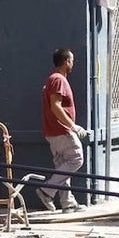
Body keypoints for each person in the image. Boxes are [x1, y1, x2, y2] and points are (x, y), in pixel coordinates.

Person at [37, 48, 90, 213]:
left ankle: (68, 203)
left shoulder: (52, 79)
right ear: (67, 61)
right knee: (76, 158)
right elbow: (55, 106)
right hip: (61, 130)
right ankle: (47, 190)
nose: (73, 63)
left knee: (63, 165)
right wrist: (72, 126)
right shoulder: (59, 79)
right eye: (72, 60)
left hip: (52, 131)